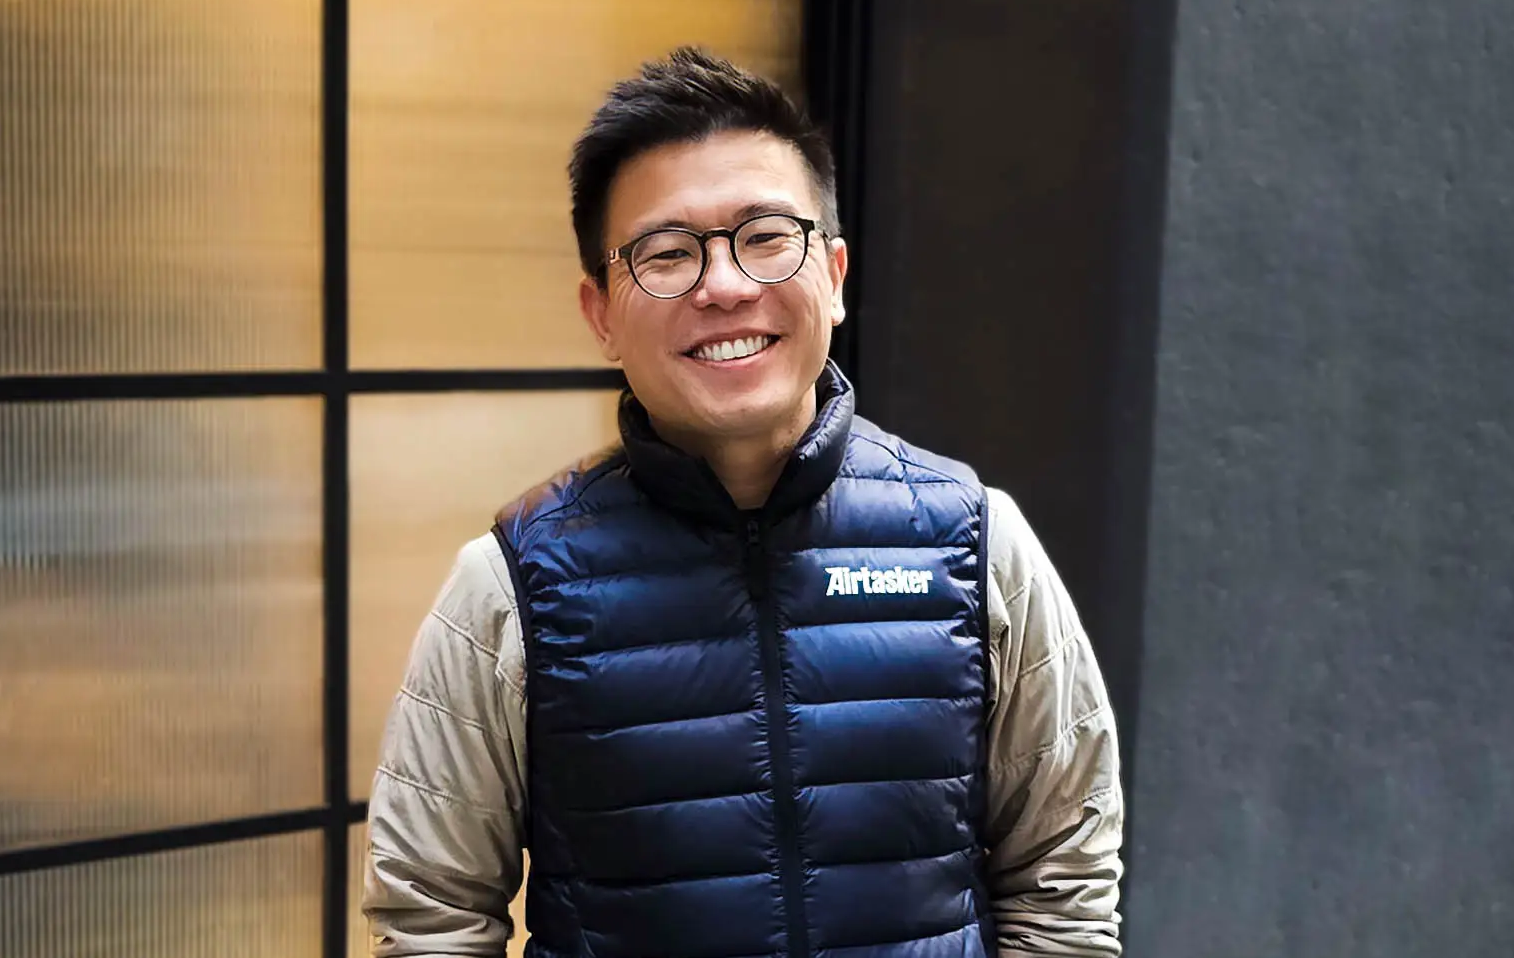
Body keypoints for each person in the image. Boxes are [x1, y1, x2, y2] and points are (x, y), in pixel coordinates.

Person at [363, 47, 1124, 958]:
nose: (724, 286)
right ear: (600, 311)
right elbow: (432, 918)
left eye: (765, 236)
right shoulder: (512, 586)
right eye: (667, 253)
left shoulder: (974, 542)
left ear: (834, 276)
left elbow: (1065, 879)